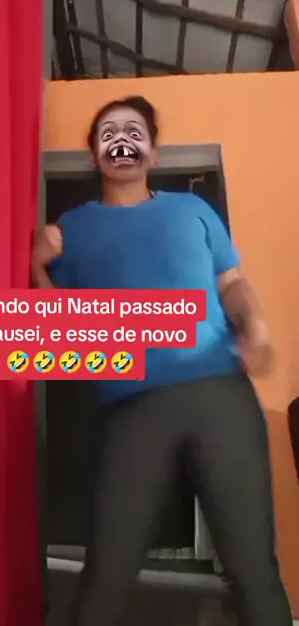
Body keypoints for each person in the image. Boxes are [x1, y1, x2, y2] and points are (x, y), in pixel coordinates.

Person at [31, 96, 292, 626]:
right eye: (109, 133)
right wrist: (38, 268)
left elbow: (232, 282)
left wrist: (256, 326)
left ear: (153, 150)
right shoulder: (71, 230)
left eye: (134, 131)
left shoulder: (192, 210)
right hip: (130, 407)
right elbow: (60, 334)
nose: (122, 142)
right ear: (94, 153)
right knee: (106, 570)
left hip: (218, 395)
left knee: (252, 568)